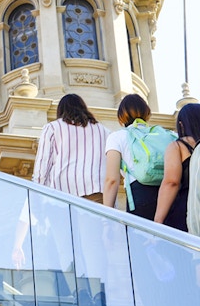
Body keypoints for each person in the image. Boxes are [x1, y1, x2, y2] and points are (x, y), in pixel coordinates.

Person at [12, 93, 108, 270]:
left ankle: (79, 293)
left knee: (67, 250)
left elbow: (41, 169)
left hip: (61, 199)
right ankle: (99, 293)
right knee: (94, 249)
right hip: (96, 196)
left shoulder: (53, 128)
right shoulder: (103, 131)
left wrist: (37, 199)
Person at [32, 93, 109, 201]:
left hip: (62, 195)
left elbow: (42, 166)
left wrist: (36, 194)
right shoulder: (104, 131)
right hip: (97, 191)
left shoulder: (52, 128)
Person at [104, 94, 165, 219]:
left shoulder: (117, 137)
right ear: (147, 114)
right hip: (169, 194)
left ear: (121, 118)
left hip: (140, 197)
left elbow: (112, 180)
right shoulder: (161, 134)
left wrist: (106, 218)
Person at [154, 103, 200, 231]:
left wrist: (158, 220)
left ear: (181, 124)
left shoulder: (178, 146)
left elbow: (171, 182)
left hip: (188, 209)